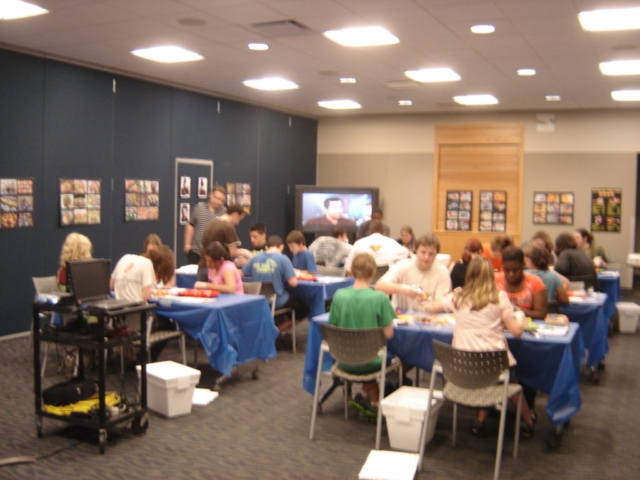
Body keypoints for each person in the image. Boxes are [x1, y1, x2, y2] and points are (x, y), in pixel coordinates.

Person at [423, 257, 535, 437]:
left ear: (469, 275)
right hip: (494, 368)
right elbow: (516, 332)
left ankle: (481, 420)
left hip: (463, 370)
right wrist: (519, 318)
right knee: (510, 380)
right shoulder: (499, 298)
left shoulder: (458, 297)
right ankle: (528, 422)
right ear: (491, 276)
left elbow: (432, 307)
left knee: (482, 371)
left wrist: (423, 297)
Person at [328, 252, 395, 418]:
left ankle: (371, 401)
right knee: (394, 359)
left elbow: (333, 329)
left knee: (368, 354)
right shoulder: (380, 298)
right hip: (371, 363)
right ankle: (377, 406)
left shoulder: (339, 296)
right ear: (373, 273)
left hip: (343, 361)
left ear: (351, 272)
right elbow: (389, 334)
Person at [242, 235, 309, 337]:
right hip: (277, 301)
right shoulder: (283, 259)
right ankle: (275, 332)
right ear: (281, 247)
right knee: (304, 310)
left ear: (267, 247)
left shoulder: (255, 258)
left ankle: (272, 332)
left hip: (258, 301)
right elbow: (293, 283)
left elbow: (243, 274)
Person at [376, 234, 451, 310]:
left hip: (429, 317)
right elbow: (379, 286)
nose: (426, 257)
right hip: (401, 315)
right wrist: (404, 289)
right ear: (416, 251)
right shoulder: (403, 265)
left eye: (431, 254)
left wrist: (428, 302)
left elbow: (439, 302)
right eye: (423, 252)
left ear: (436, 255)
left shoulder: (442, 272)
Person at [495, 246, 547, 319]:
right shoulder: (494, 281)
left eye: (515, 270)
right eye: (506, 270)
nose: (511, 274)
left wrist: (515, 309)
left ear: (523, 265)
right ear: (502, 266)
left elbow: (541, 314)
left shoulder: (535, 282)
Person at [344, 221, 408, 275]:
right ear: (384, 232)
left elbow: (349, 269)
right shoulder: (393, 243)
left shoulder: (358, 243)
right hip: (386, 284)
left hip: (363, 283)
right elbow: (405, 255)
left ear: (369, 232)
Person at [183, 185, 227, 264]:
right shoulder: (198, 208)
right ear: (211, 195)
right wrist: (187, 245)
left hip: (215, 254)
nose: (219, 202)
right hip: (196, 252)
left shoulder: (225, 213)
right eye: (217, 198)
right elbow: (190, 225)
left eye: (222, 200)